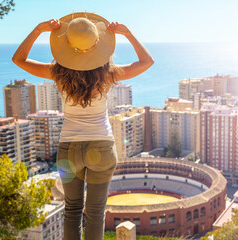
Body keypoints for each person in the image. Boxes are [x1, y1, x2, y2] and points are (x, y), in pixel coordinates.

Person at [12, 12, 154, 240]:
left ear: (67, 45)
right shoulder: (109, 74)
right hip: (102, 148)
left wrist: (39, 30)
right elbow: (147, 62)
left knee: (72, 211)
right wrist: (127, 33)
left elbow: (19, 60)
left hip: (69, 150)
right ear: (97, 44)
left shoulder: (57, 73)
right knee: (96, 213)